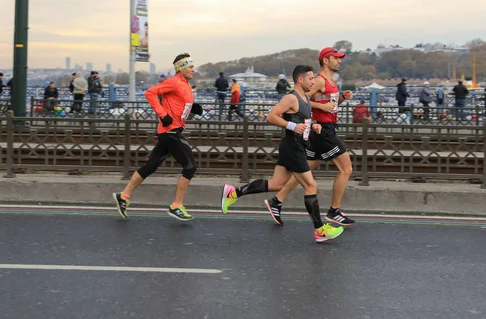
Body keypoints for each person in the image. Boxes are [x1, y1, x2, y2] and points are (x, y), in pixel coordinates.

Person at [220, 64, 344, 242]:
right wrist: (293, 126)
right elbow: (271, 116)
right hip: (293, 147)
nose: (313, 81)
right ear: (300, 80)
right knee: (311, 186)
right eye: (310, 78)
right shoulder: (291, 98)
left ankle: (233, 193)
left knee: (277, 184)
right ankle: (320, 230)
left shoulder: (306, 99)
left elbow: (303, 120)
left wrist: (313, 125)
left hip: (295, 146)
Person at [265, 47, 355, 226]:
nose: (339, 61)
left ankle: (276, 201)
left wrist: (343, 98)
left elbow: (330, 103)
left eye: (339, 58)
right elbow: (303, 99)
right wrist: (321, 109)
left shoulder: (331, 81)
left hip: (321, 131)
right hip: (323, 131)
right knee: (346, 169)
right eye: (335, 58)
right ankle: (334, 211)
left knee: (304, 171)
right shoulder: (320, 81)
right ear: (325, 61)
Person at [113, 53, 204, 221]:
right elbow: (150, 93)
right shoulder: (174, 82)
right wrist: (162, 114)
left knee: (151, 166)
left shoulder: (185, 84)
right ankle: (176, 206)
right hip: (171, 131)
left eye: (193, 66)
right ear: (181, 68)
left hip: (170, 132)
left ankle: (123, 196)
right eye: (190, 67)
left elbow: (177, 104)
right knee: (190, 167)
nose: (193, 69)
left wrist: (191, 109)